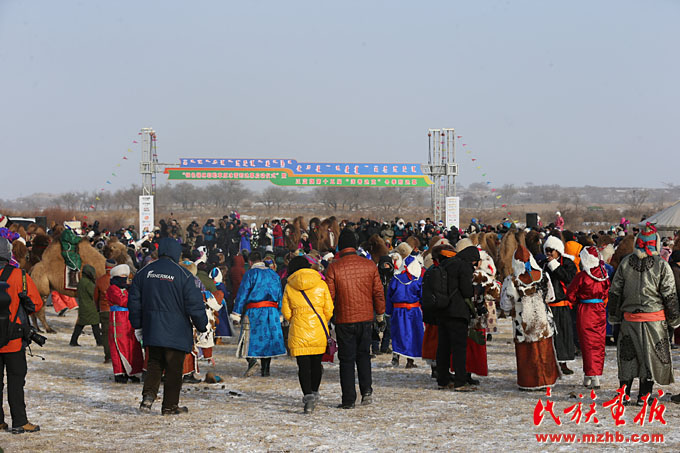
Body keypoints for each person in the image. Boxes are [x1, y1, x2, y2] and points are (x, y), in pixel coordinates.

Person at [128, 237, 208, 415]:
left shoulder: (144, 272)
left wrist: (137, 325)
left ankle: (148, 397)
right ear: (176, 252)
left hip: (152, 328)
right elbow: (195, 305)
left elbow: (134, 302)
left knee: (154, 363)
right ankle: (170, 406)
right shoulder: (184, 275)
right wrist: (202, 326)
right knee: (174, 370)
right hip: (176, 332)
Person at [609, 224, 680, 405]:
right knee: (649, 358)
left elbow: (615, 291)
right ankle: (643, 395)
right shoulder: (662, 265)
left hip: (629, 319)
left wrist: (614, 317)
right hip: (654, 320)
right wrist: (674, 320)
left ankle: (623, 394)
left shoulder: (625, 263)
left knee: (627, 356)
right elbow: (669, 295)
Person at [326, 229, 385, 409]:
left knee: (346, 360)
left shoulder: (334, 267)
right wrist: (380, 315)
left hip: (344, 319)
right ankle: (366, 391)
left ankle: (348, 399)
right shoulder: (369, 265)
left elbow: (329, 296)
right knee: (364, 356)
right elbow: (378, 292)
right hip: (366, 318)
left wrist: (328, 318)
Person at [500, 246, 560, 390]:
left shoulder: (511, 280)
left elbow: (505, 305)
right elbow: (551, 297)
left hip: (522, 323)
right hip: (543, 321)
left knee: (526, 353)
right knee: (544, 351)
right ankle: (546, 380)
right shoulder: (543, 275)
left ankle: (529, 382)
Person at [0, 237, 43, 433]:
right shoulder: (19, 275)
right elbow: (36, 304)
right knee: (16, 381)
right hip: (14, 339)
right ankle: (19, 421)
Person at [282, 256, 334, 414]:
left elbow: (286, 312)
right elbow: (329, 309)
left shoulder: (289, 286)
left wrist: (297, 318)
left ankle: (308, 397)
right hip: (318, 328)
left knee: (303, 366)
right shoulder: (321, 283)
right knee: (316, 364)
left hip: (298, 330)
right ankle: (315, 391)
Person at [231, 251, 286, 377]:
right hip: (272, 311)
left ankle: (252, 361)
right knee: (267, 340)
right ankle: (266, 370)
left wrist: (237, 313)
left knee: (248, 339)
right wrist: (280, 313)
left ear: (250, 262)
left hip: (254, 311)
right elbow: (280, 295)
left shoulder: (250, 274)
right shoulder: (274, 274)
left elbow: (242, 294)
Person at [434, 241, 479, 391]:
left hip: (442, 310)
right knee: (459, 348)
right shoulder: (464, 266)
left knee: (443, 347)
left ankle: (443, 380)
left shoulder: (446, 263)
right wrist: (475, 289)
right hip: (457, 312)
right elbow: (466, 291)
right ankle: (460, 382)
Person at [566, 246, 610, 389]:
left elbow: (570, 294)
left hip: (585, 311)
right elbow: (606, 292)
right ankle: (591, 374)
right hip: (600, 311)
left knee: (587, 344)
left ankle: (592, 375)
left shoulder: (582, 276)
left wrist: (576, 302)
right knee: (598, 343)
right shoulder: (603, 275)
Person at [543, 235, 577, 375]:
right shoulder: (543, 264)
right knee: (549, 336)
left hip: (562, 305)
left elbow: (569, 278)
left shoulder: (568, 263)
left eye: (551, 250)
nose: (549, 253)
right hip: (548, 306)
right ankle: (549, 364)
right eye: (547, 250)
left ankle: (563, 363)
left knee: (563, 334)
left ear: (557, 250)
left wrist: (554, 266)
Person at [106, 264, 144, 383]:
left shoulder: (127, 289)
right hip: (118, 319)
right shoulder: (112, 289)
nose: (125, 279)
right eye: (123, 276)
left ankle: (133, 371)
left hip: (129, 318)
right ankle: (120, 372)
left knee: (132, 345)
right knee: (119, 344)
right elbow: (122, 301)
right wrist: (136, 298)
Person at [387, 254, 424, 369]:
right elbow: (422, 296)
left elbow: (389, 296)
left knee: (398, 333)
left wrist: (388, 311)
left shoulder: (395, 279)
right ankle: (410, 360)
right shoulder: (417, 280)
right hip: (413, 311)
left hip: (398, 311)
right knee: (412, 334)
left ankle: (396, 356)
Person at [70, 265, 103, 348]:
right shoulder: (88, 283)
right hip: (91, 307)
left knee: (80, 325)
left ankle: (73, 340)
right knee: (95, 325)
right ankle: (99, 341)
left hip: (83, 307)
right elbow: (94, 294)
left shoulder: (81, 282)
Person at [94, 259, 116, 363]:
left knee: (106, 334)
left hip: (104, 310)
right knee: (117, 334)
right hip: (116, 310)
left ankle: (108, 356)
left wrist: (98, 308)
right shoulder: (117, 280)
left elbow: (96, 297)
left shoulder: (100, 280)